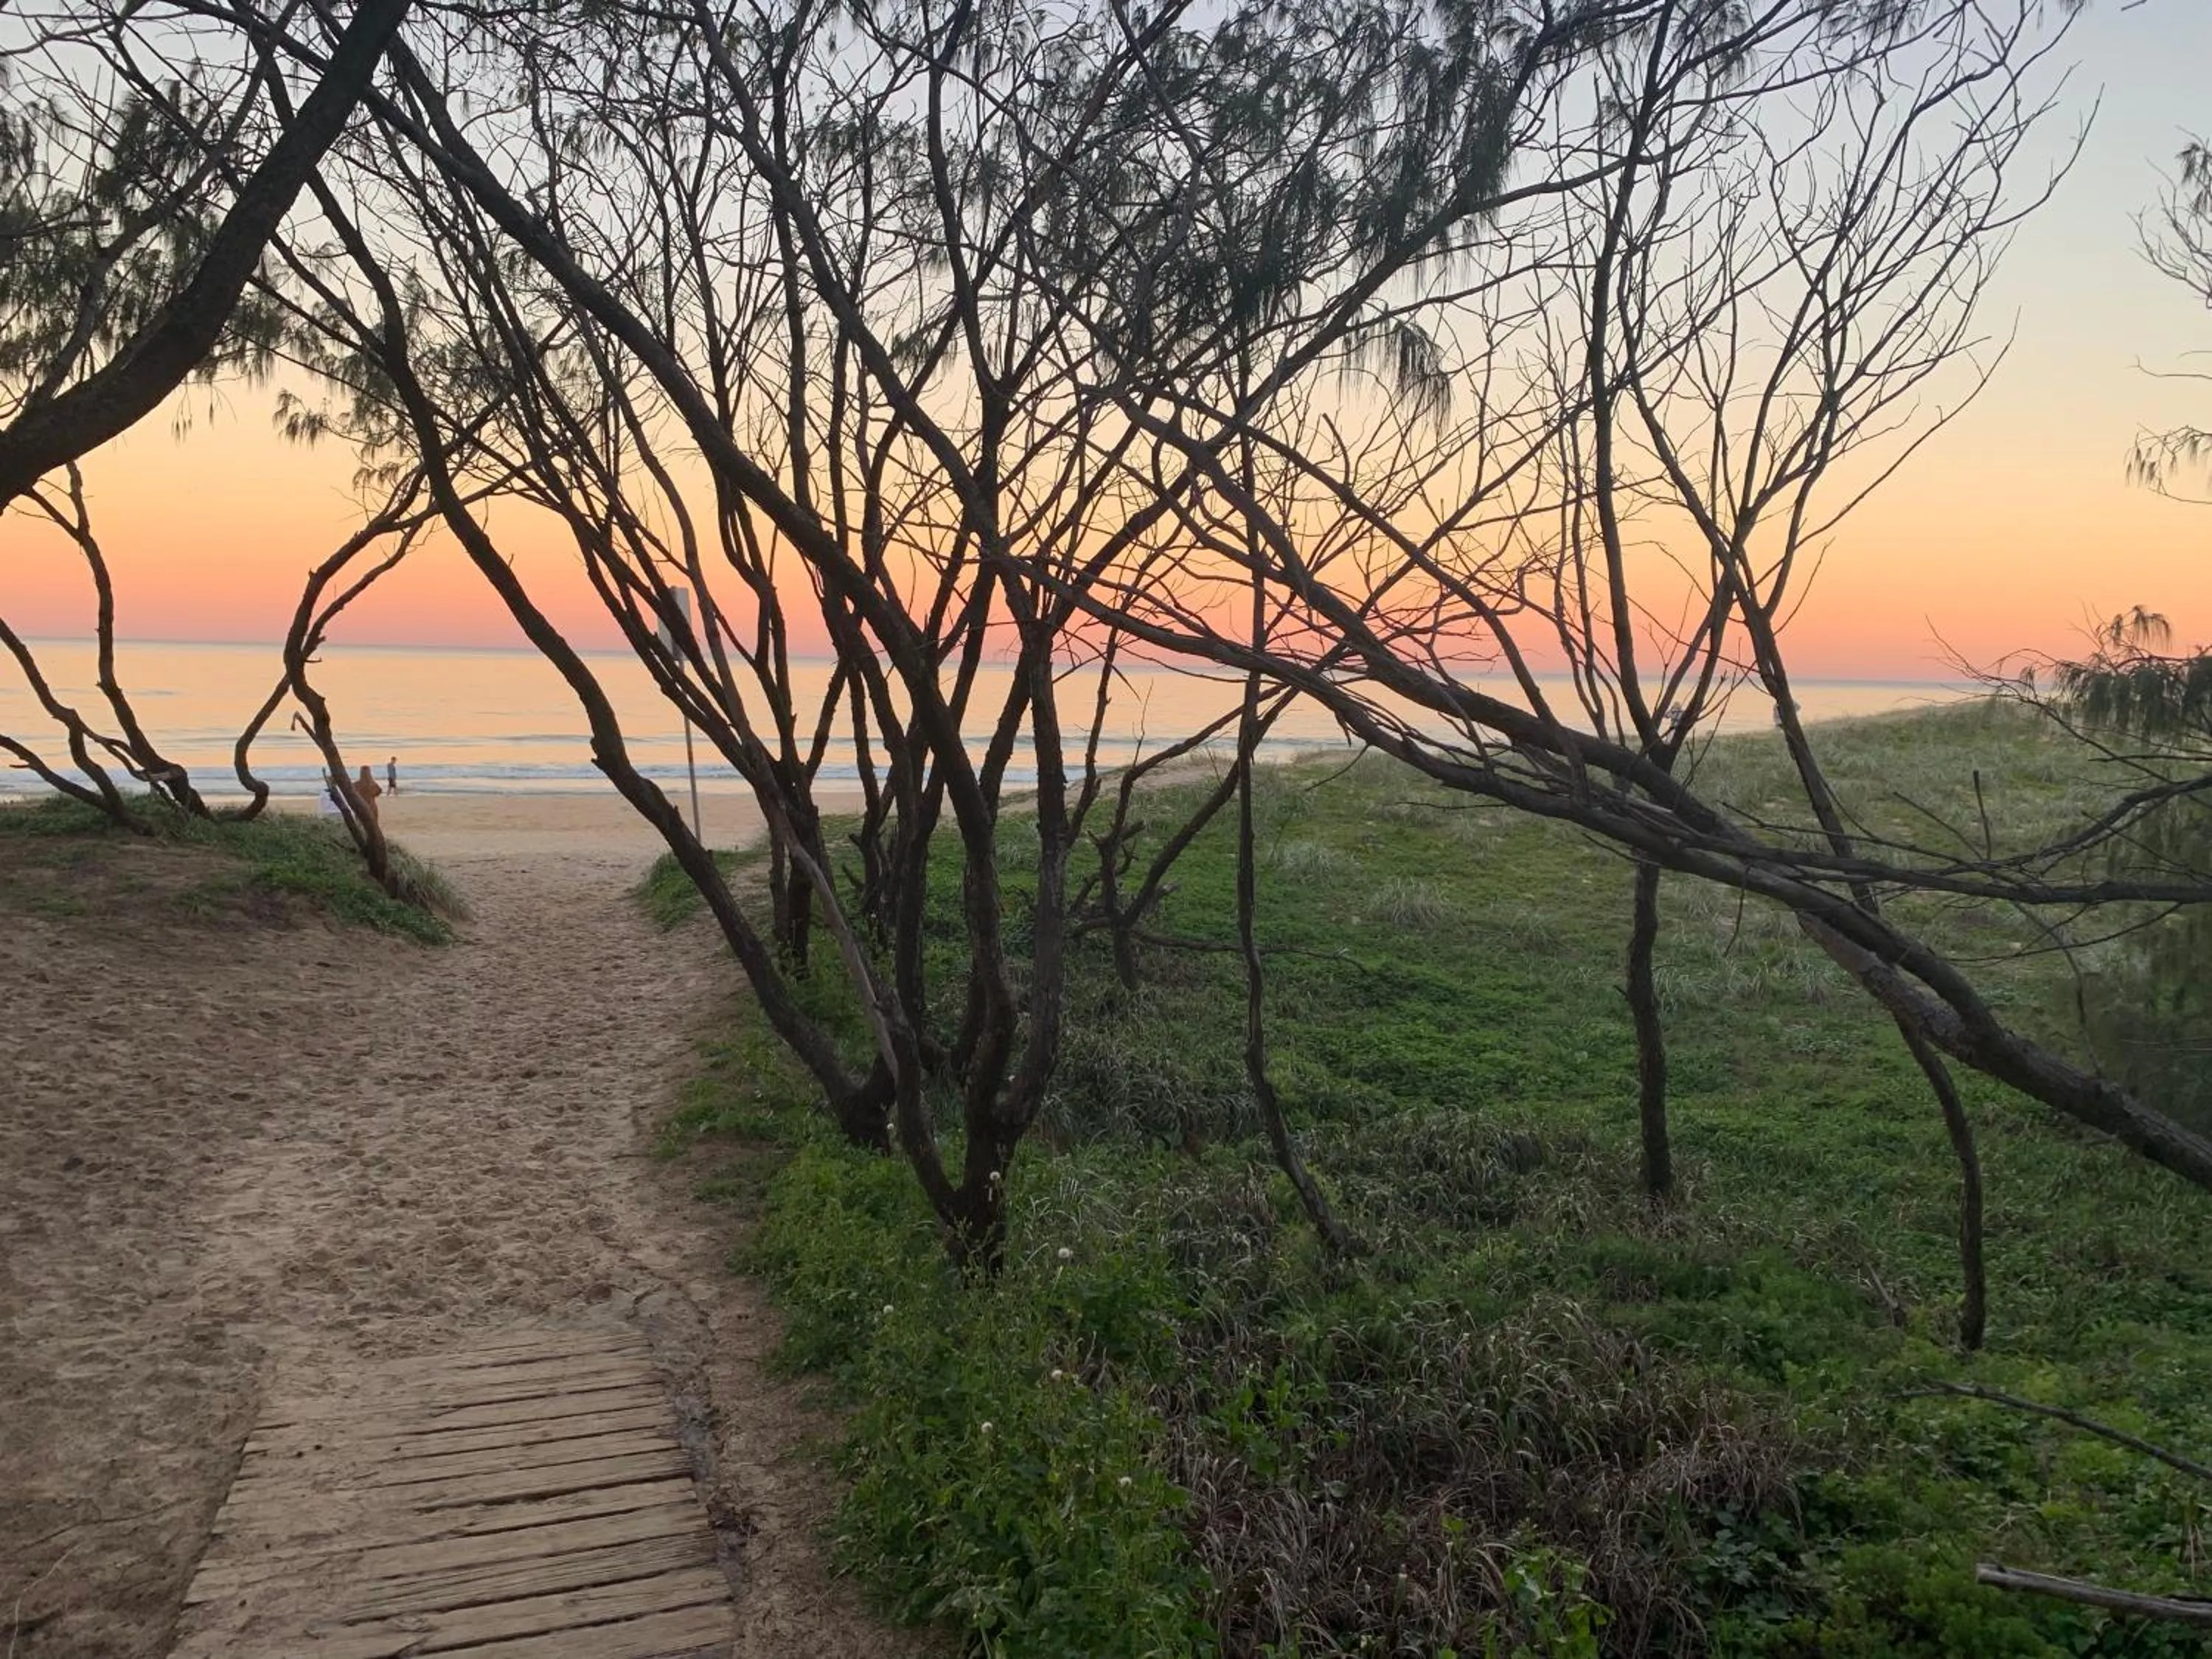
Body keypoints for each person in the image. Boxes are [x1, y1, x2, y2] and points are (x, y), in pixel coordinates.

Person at [354, 763, 385, 827]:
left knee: (360, 825)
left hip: (360, 806)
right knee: (374, 826)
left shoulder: (356, 785)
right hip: (372, 806)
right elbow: (379, 792)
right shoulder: (373, 785)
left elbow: (351, 794)